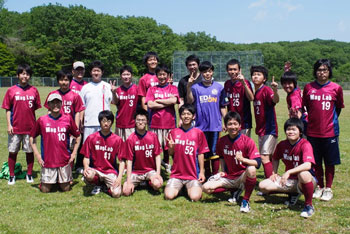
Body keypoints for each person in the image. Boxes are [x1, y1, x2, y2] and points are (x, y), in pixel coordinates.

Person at [303, 59, 344, 201]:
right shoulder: (308, 87)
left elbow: (337, 109)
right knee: (316, 161)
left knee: (329, 162)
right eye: (319, 70)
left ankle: (328, 188)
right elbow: (306, 107)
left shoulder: (336, 88)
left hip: (330, 132)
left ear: (329, 71)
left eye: (325, 70)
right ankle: (319, 186)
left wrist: (328, 121)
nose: (322, 72)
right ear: (315, 71)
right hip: (312, 131)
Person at [203, 111, 260, 213]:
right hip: (229, 177)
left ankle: (245, 201)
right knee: (206, 188)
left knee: (251, 169)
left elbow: (257, 163)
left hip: (242, 176)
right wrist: (223, 171)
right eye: (230, 124)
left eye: (235, 124)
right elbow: (221, 157)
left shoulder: (247, 141)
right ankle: (233, 190)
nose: (233, 127)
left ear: (239, 125)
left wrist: (243, 160)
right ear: (225, 126)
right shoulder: (221, 141)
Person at [259, 118, 317, 218]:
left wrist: (289, 171)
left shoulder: (305, 144)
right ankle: (293, 193)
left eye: (294, 129)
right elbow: (275, 158)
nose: (290, 132)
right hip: (290, 180)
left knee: (303, 174)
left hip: (305, 180)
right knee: (263, 186)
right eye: (288, 129)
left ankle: (308, 205)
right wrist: (274, 173)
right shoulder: (282, 144)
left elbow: (308, 165)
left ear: (300, 131)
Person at [29, 93, 81, 192]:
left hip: (63, 160)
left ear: (62, 104)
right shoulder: (42, 120)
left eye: (58, 102)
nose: (55, 105)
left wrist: (74, 153)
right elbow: (32, 137)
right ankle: (50, 180)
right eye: (52, 103)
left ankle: (59, 180)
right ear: (48, 104)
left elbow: (78, 136)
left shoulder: (68, 119)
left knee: (65, 188)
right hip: (48, 161)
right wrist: (38, 155)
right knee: (45, 190)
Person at [186, 61, 228, 179]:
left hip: (215, 125)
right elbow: (189, 101)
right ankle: (205, 174)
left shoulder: (219, 87)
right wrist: (189, 86)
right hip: (200, 126)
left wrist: (226, 121)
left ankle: (214, 175)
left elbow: (222, 106)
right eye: (204, 72)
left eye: (209, 71)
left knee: (214, 151)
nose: (207, 74)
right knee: (202, 152)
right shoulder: (195, 87)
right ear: (201, 73)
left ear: (212, 72)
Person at [2, 64, 41, 185]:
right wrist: (9, 124)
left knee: (29, 151)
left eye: (27, 74)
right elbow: (8, 109)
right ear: (18, 75)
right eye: (23, 73)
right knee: (13, 151)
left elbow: (34, 108)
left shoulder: (34, 90)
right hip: (15, 127)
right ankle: (12, 175)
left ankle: (29, 174)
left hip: (30, 127)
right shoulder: (11, 90)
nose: (25, 76)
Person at [164, 104, 209, 201]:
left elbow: (201, 153)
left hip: (192, 175)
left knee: (195, 197)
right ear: (180, 116)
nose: (186, 116)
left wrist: (201, 172)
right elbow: (171, 153)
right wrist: (171, 147)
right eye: (183, 114)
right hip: (177, 174)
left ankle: (187, 187)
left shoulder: (198, 133)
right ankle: (181, 188)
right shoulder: (173, 132)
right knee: (168, 196)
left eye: (188, 114)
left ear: (193, 116)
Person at [80, 110, 125, 198]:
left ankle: (105, 187)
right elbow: (86, 156)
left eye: (108, 121)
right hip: (96, 170)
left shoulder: (117, 140)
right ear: (99, 122)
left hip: (110, 171)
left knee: (116, 194)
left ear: (112, 122)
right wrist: (86, 168)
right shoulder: (91, 138)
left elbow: (122, 161)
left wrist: (119, 178)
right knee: (89, 175)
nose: (106, 123)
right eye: (103, 121)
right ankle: (97, 184)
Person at [146, 64, 179, 173]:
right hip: (155, 123)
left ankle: (171, 166)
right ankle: (153, 167)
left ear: (168, 76)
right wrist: (166, 102)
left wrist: (159, 100)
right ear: (157, 76)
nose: (162, 77)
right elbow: (150, 105)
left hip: (170, 123)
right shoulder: (152, 89)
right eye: (160, 74)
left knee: (170, 147)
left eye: (164, 74)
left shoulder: (173, 88)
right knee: (154, 148)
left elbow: (174, 101)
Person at [122, 109, 163, 196]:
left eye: (143, 120)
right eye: (138, 120)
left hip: (149, 171)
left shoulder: (153, 136)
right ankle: (141, 182)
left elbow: (157, 155)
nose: (140, 122)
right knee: (126, 191)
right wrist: (128, 180)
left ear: (147, 122)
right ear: (135, 121)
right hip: (136, 172)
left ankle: (148, 182)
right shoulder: (130, 139)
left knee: (158, 184)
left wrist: (158, 174)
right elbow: (129, 161)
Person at [251, 65, 279, 179]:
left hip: (269, 129)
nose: (255, 77)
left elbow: (275, 100)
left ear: (264, 78)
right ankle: (273, 177)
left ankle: (268, 183)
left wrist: (275, 90)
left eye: (258, 74)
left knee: (264, 157)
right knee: (269, 157)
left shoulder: (266, 89)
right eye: (254, 74)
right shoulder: (256, 92)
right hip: (261, 129)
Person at [80, 60, 112, 143]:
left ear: (102, 72)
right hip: (89, 124)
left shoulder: (108, 86)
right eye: (94, 71)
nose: (96, 73)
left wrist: (114, 92)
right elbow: (81, 107)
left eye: (98, 71)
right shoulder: (85, 88)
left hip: (105, 124)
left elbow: (115, 102)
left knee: (104, 148)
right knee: (88, 149)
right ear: (91, 72)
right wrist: (81, 122)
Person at [44, 70, 85, 135]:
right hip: (56, 127)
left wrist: (76, 128)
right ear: (57, 81)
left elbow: (77, 112)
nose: (63, 82)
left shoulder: (75, 96)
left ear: (70, 81)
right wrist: (49, 124)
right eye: (61, 80)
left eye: (66, 80)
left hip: (69, 127)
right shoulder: (52, 94)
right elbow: (49, 110)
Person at [224, 59, 254, 136]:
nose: (233, 72)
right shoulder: (227, 84)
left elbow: (251, 98)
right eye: (230, 69)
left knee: (243, 146)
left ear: (239, 70)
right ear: (227, 71)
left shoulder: (245, 82)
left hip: (244, 122)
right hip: (231, 122)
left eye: (235, 69)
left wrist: (243, 83)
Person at [110, 65, 138, 141]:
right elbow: (115, 102)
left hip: (132, 124)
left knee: (131, 147)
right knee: (120, 147)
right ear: (121, 76)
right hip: (120, 123)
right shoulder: (118, 89)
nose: (126, 77)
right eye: (124, 74)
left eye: (128, 74)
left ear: (131, 75)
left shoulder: (137, 89)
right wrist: (113, 93)